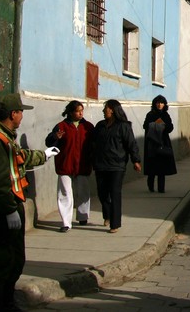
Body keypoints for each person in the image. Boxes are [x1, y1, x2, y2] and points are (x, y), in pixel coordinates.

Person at [0, 92, 59, 312]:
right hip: (2, 208)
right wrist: (9, 209)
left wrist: (45, 155)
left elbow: (21, 158)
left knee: (14, 258)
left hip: (11, 204)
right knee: (2, 259)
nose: (22, 116)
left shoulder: (7, 137)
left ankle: (6, 301)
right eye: (21, 112)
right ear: (13, 114)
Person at [91, 99, 141, 234]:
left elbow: (131, 143)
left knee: (115, 193)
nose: (103, 111)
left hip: (117, 165)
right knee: (102, 194)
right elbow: (93, 144)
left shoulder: (123, 126)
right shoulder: (100, 126)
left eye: (105, 108)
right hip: (101, 165)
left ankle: (115, 223)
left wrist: (135, 160)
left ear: (112, 110)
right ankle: (107, 214)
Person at [45, 100, 95, 232]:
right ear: (71, 112)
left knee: (83, 191)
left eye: (82, 111)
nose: (80, 113)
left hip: (83, 164)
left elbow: (94, 144)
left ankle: (83, 215)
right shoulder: (61, 126)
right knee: (65, 193)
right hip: (65, 164)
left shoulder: (88, 127)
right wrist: (55, 137)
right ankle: (66, 222)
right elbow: (49, 142)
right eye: (78, 111)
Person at [142, 95, 176, 193]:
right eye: (157, 103)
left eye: (161, 103)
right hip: (152, 143)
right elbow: (145, 126)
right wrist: (155, 125)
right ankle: (151, 186)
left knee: (162, 168)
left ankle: (161, 188)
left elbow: (170, 127)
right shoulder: (150, 114)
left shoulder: (166, 115)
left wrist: (163, 126)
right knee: (152, 167)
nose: (159, 105)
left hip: (163, 143)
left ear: (164, 104)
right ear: (154, 104)